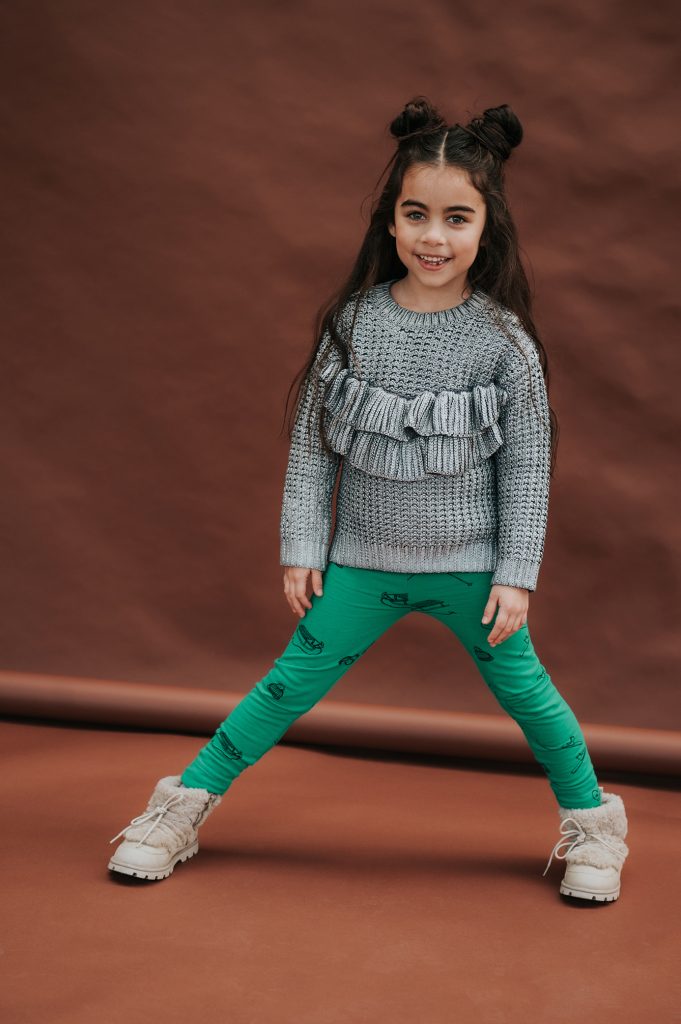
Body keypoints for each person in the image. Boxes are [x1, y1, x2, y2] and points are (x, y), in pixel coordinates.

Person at [108, 97, 630, 901]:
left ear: (487, 227)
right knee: (284, 689)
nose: (433, 237)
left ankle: (594, 828)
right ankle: (177, 811)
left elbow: (528, 469)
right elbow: (312, 450)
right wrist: (301, 547)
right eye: (415, 215)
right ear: (389, 221)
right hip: (360, 564)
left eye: (456, 218)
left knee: (531, 700)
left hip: (469, 574)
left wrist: (515, 574)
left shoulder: (503, 343)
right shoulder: (352, 325)